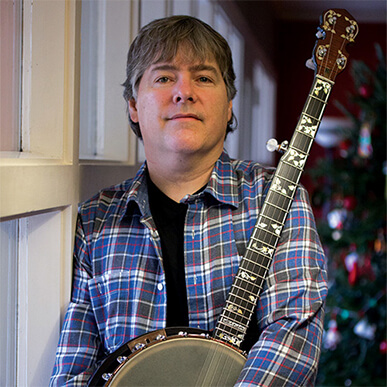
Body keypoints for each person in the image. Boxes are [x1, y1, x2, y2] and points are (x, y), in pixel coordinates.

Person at [50, 15, 327, 386]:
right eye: (164, 77)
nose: (185, 92)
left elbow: (293, 335)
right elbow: (74, 369)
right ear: (133, 106)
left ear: (229, 105)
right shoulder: (94, 221)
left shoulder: (276, 199)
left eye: (204, 77)